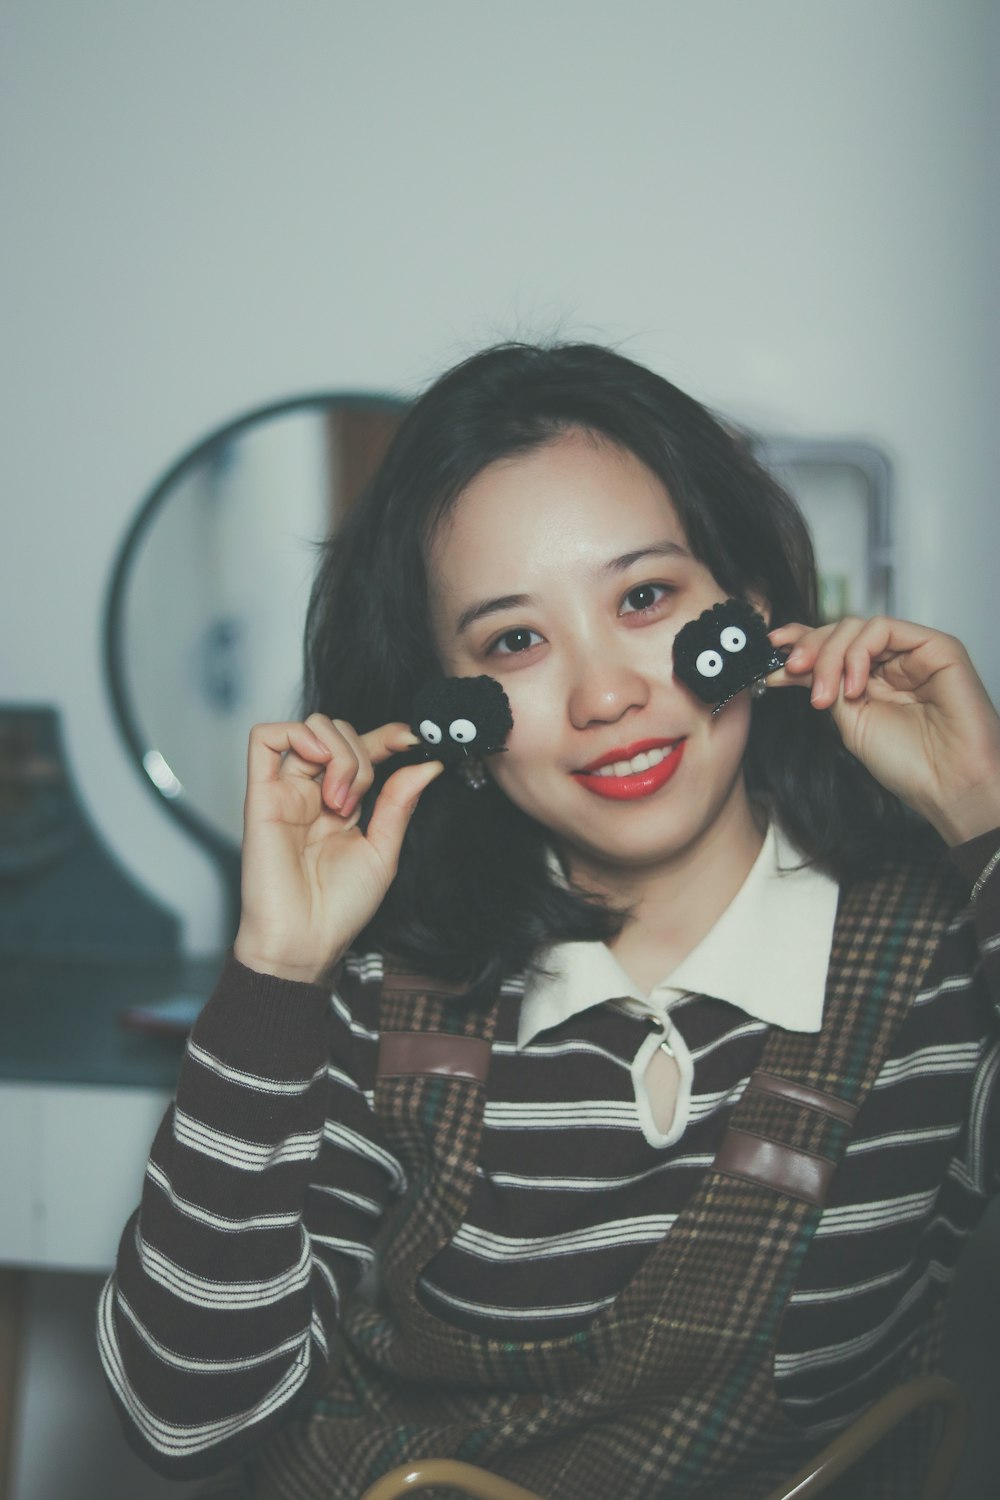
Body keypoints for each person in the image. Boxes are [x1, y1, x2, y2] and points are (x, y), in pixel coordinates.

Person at [98, 343, 1000, 1500]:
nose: (603, 695)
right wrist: (278, 969)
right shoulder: (386, 1003)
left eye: (643, 597)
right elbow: (182, 1421)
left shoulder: (936, 975)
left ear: (754, 610)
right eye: (513, 641)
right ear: (451, 716)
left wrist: (983, 814)